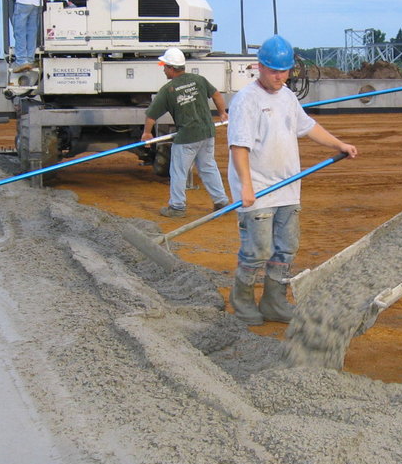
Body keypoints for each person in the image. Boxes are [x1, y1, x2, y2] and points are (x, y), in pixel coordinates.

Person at [227, 34, 358, 325]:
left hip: (288, 187)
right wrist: (246, 186)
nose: (280, 76)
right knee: (258, 249)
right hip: (258, 189)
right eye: (274, 70)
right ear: (259, 67)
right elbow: (239, 146)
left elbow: (308, 126)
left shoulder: (286, 96)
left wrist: (339, 145)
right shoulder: (246, 101)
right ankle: (242, 302)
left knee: (286, 247)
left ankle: (274, 301)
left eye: (285, 70)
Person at [142, 47, 230, 218]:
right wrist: (222, 113)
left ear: (171, 68)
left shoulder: (168, 90)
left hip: (188, 136)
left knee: (178, 171)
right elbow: (217, 95)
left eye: (165, 66)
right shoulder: (198, 80)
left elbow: (151, 115)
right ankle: (221, 201)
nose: (163, 69)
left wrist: (147, 133)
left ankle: (177, 207)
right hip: (207, 132)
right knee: (208, 167)